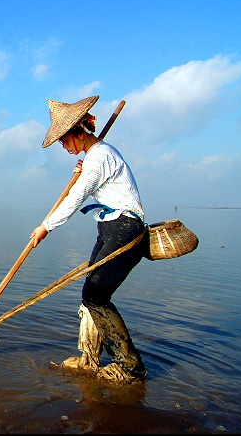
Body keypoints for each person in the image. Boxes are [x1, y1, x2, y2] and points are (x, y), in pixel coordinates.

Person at [30, 95, 147, 383]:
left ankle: (129, 367)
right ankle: (90, 359)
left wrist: (45, 227)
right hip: (109, 228)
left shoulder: (100, 158)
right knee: (90, 295)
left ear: (80, 132)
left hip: (126, 229)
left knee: (96, 296)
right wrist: (84, 172)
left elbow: (75, 198)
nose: (64, 147)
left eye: (65, 141)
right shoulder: (95, 158)